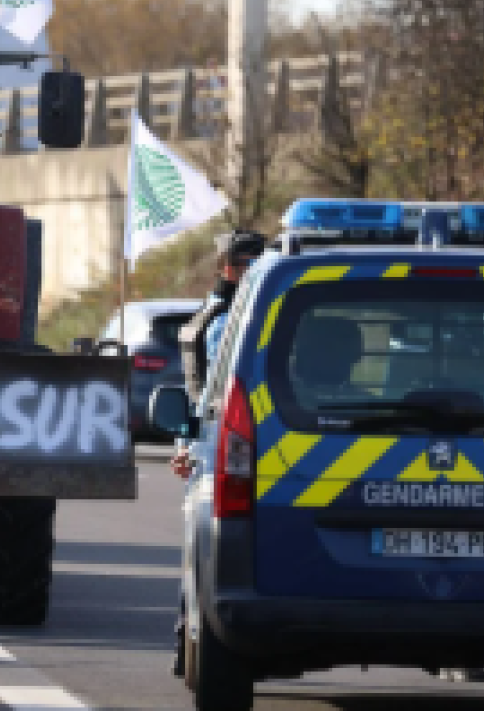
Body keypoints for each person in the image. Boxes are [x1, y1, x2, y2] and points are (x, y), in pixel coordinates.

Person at [169, 230, 264, 677]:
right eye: (243, 262)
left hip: (217, 442)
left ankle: (192, 636)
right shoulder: (229, 320)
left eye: (255, 261)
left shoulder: (234, 314)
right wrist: (188, 442)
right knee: (204, 548)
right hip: (217, 441)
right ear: (224, 267)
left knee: (205, 546)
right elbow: (208, 393)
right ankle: (190, 634)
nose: (249, 270)